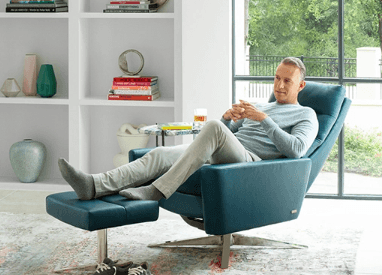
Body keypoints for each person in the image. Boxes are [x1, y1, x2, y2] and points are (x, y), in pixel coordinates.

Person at [58, 57, 319, 202]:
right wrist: (228, 118)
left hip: (252, 163)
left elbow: (296, 150)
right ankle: (92, 185)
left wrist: (264, 120)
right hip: (227, 152)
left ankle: (158, 191)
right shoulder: (259, 105)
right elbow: (229, 133)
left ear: (301, 86)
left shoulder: (306, 114)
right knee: (160, 154)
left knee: (214, 127)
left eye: (287, 81)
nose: (280, 85)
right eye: (276, 77)